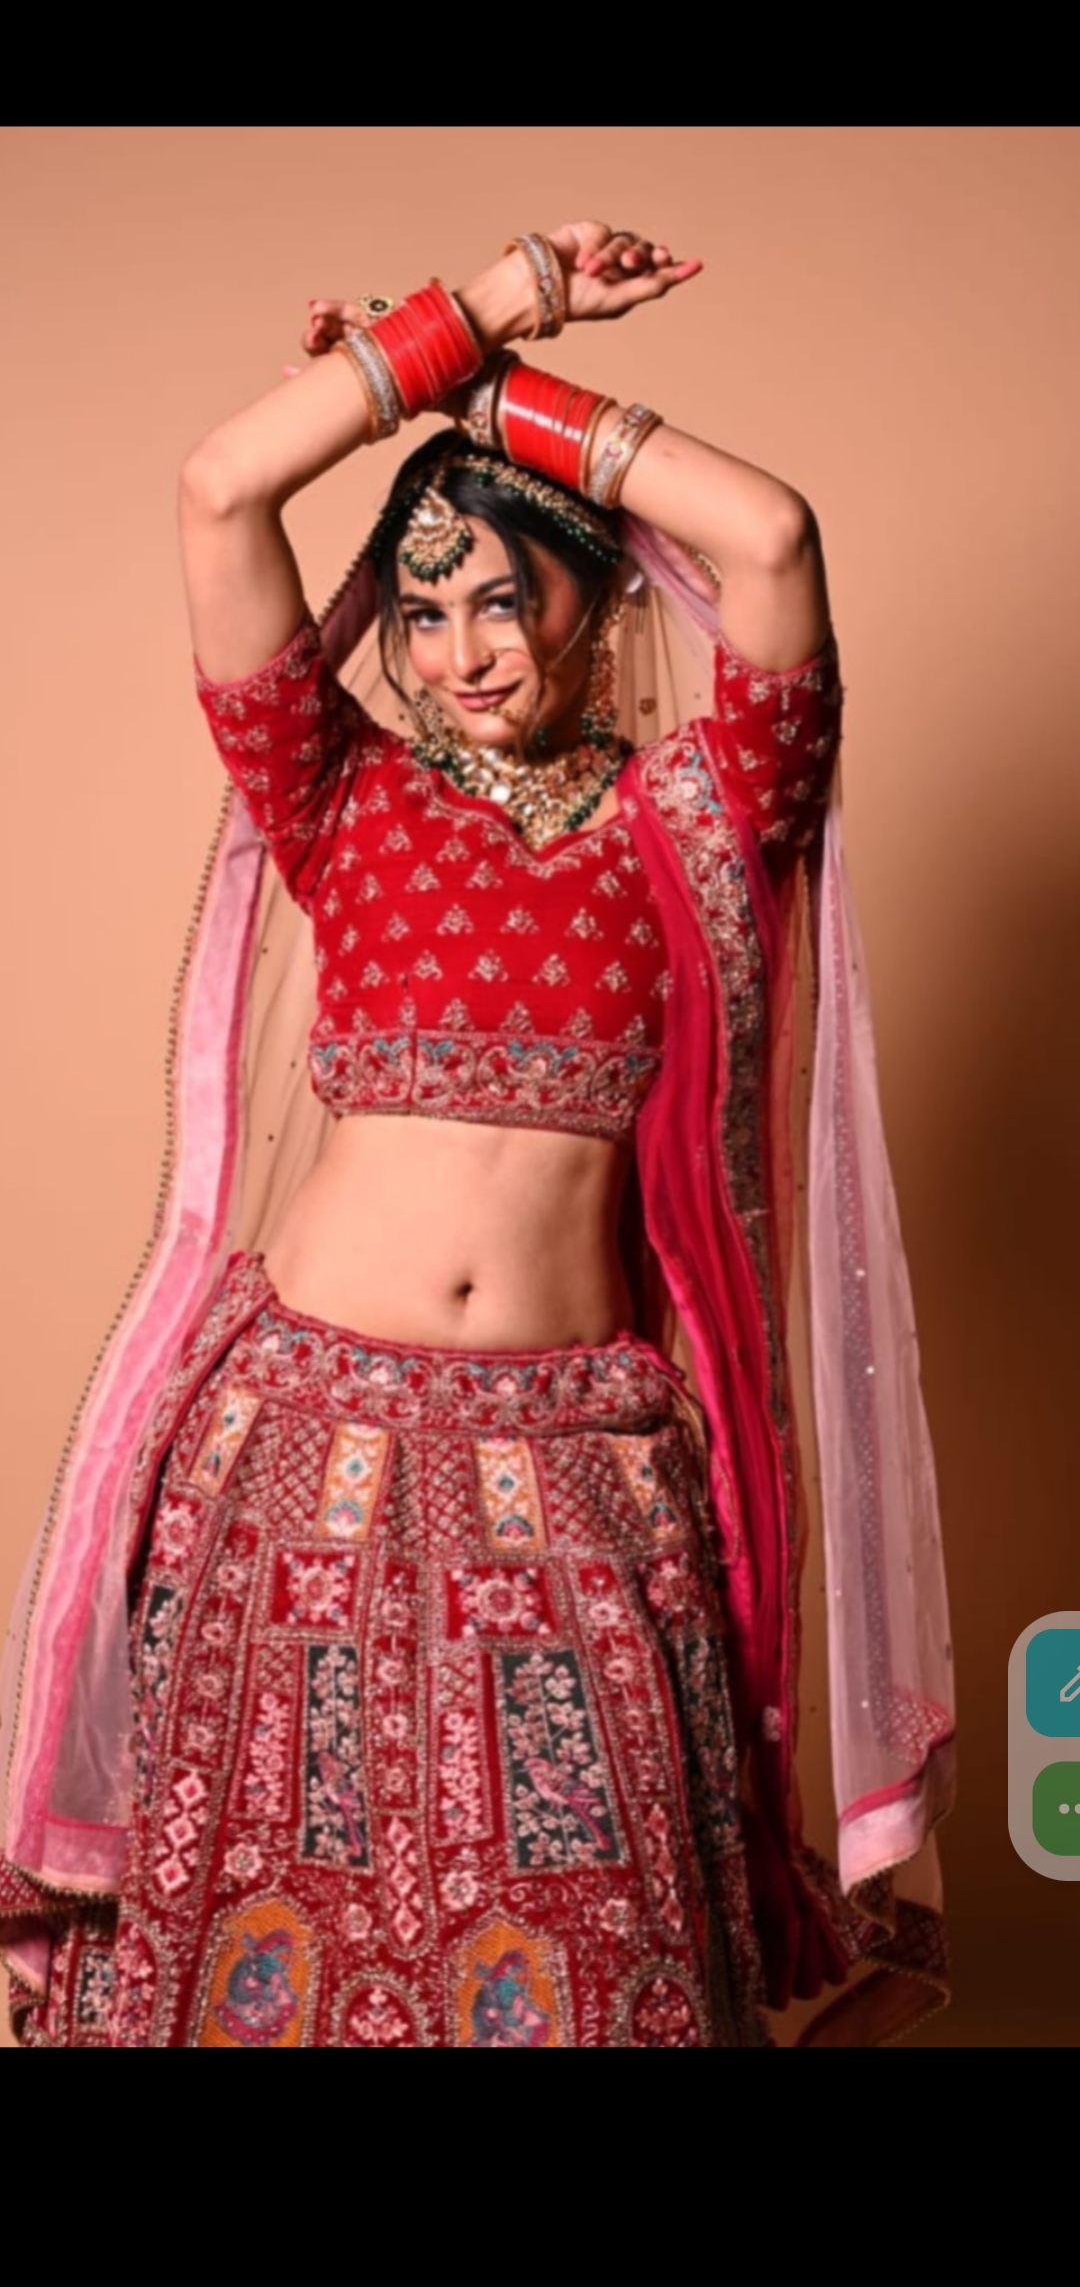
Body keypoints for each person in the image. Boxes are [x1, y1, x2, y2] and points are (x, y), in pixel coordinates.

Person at [0, 222, 954, 2047]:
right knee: (257, 1961)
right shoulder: (335, 793)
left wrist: (500, 396)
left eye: (504, 600)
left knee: (605, 1967)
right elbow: (220, 490)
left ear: (594, 592)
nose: (458, 654)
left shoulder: (697, 813)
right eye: (424, 612)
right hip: (296, 1455)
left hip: (576, 1465)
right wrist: (484, 301)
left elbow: (770, 539)